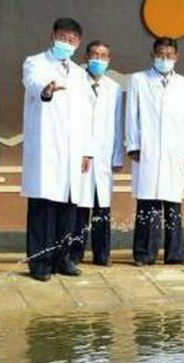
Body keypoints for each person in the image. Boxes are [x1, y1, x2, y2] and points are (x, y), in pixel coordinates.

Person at [21, 17, 93, 281]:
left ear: (78, 43)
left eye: (72, 40)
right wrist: (46, 89)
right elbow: (33, 84)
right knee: (43, 208)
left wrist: (87, 150)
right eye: (63, 38)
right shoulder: (35, 63)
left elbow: (86, 114)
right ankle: (40, 264)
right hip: (46, 149)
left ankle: (63, 259)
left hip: (74, 151)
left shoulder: (79, 73)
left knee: (68, 208)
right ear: (53, 36)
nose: (67, 43)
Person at [125, 36, 184, 266]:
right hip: (147, 149)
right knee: (148, 202)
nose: (164, 59)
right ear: (152, 55)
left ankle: (174, 254)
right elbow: (131, 114)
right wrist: (133, 144)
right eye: (160, 55)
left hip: (174, 151)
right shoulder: (138, 80)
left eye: (169, 55)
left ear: (176, 57)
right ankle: (144, 253)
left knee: (173, 203)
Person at [69, 41, 123, 267]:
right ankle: (74, 253)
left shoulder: (114, 88)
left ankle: (102, 254)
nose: (98, 60)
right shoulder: (75, 83)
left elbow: (117, 124)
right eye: (95, 55)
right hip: (80, 154)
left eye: (103, 56)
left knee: (102, 207)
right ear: (86, 56)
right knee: (79, 208)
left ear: (109, 60)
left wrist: (117, 156)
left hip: (104, 155)